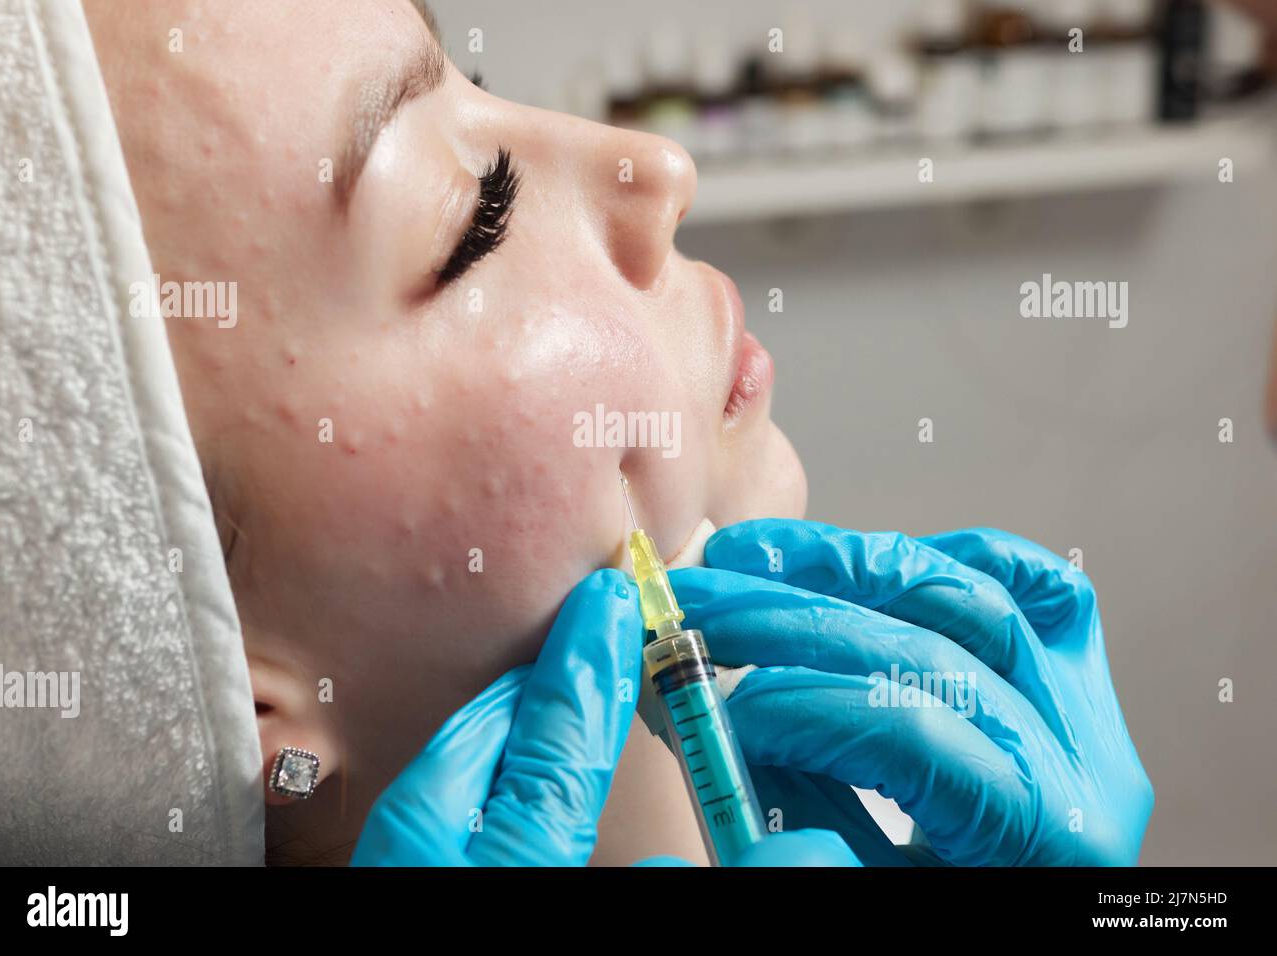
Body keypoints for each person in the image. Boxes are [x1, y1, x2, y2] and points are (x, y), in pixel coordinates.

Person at [80, 0, 1153, 866]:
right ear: (263, 737)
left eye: (483, 91)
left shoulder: (892, 814)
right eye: (474, 219)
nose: (659, 167)